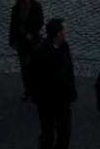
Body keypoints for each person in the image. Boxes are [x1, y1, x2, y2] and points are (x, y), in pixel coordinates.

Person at [30, 18, 77, 149]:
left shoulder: (64, 47)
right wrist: (38, 96)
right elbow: (34, 75)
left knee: (65, 132)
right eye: (64, 29)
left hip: (62, 99)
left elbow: (69, 69)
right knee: (48, 134)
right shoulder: (40, 52)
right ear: (58, 33)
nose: (66, 32)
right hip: (47, 100)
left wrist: (71, 89)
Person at [8, 0, 45, 100]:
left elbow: (40, 21)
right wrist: (13, 41)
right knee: (24, 67)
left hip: (33, 42)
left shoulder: (36, 6)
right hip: (21, 42)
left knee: (33, 66)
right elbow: (13, 25)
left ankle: (36, 88)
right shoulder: (16, 8)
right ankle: (28, 90)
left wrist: (32, 33)